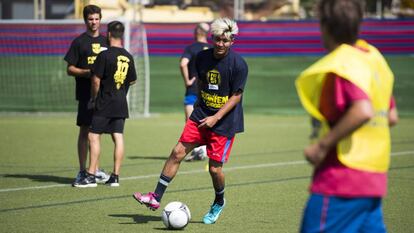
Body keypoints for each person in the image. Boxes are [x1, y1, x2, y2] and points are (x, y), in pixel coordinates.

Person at [295, 0, 399, 232]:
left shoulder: (342, 64)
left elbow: (363, 110)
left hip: (340, 180)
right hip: (373, 179)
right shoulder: (373, 58)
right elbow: (391, 116)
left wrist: (322, 146)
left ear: (325, 25)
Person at [133, 18, 248, 225]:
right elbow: (202, 82)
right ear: (212, 38)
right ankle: (155, 197)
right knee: (177, 152)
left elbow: (236, 97)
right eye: (218, 39)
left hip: (224, 122)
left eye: (225, 40)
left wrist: (215, 117)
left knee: (214, 169)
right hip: (200, 116)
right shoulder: (202, 57)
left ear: (232, 41)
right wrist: (200, 107)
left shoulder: (239, 64)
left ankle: (219, 202)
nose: (221, 44)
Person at [74, 21, 137, 188]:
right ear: (122, 35)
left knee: (93, 136)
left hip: (105, 101)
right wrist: (121, 92)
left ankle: (90, 176)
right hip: (121, 103)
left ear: (109, 34)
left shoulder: (104, 55)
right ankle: (115, 176)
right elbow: (132, 81)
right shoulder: (128, 56)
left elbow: (95, 80)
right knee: (118, 136)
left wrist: (94, 98)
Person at [64, 5, 109, 186]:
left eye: (97, 19)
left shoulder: (107, 42)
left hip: (104, 96)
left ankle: (95, 170)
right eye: (90, 19)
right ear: (85, 20)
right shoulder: (79, 42)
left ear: (100, 19)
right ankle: (82, 171)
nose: (94, 22)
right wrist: (88, 72)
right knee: (85, 131)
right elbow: (70, 69)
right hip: (85, 95)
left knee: (97, 133)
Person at [180, 22, 212, 162]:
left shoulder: (191, 48)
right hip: (208, 91)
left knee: (190, 122)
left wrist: (187, 80)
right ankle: (202, 150)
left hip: (193, 89)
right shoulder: (212, 49)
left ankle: (199, 150)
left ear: (198, 31)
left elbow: (183, 63)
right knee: (206, 120)